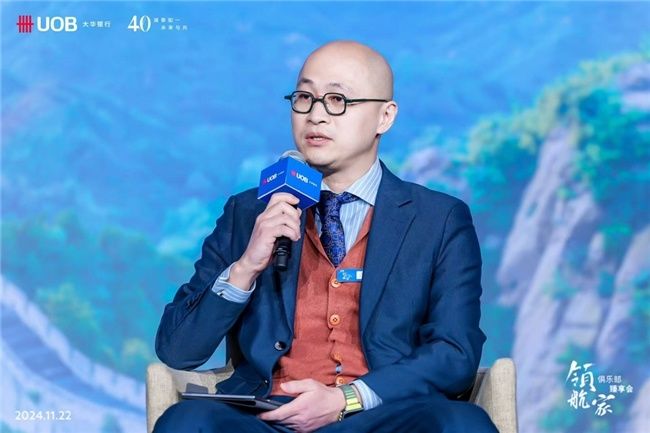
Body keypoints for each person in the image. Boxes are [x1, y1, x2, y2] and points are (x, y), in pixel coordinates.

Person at [153, 40, 498, 433]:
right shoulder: (249, 212)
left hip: (381, 415)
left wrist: (346, 398)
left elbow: (454, 354)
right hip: (268, 418)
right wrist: (245, 267)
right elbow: (177, 350)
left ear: (385, 117)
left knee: (462, 423)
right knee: (187, 421)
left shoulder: (438, 219)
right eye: (304, 98)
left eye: (337, 100)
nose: (316, 115)